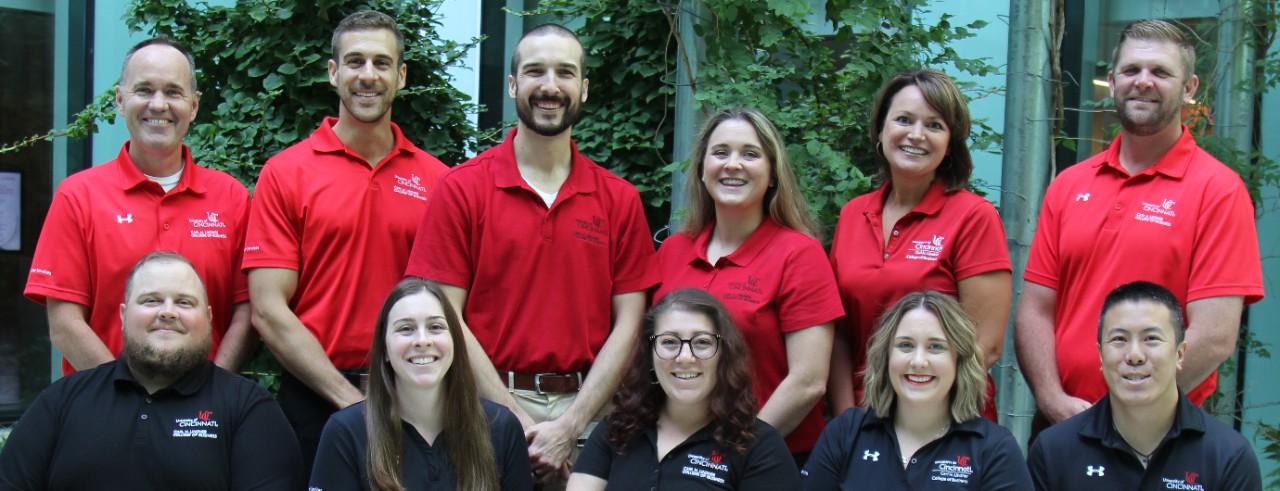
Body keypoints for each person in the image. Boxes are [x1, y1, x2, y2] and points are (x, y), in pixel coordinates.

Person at [405, 23, 657, 486]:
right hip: (483, 408)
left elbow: (631, 323)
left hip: (591, 416)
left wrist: (571, 427)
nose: (549, 85)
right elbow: (444, 317)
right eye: (535, 71)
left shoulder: (618, 199)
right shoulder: (462, 190)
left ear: (582, 87)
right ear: (513, 84)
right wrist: (517, 424)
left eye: (565, 73)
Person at [1016, 19, 1264, 429]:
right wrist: (1050, 398)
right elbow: (1037, 309)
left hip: (1161, 433)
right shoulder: (1069, 185)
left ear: (1189, 89)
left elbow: (1216, 333)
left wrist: (1127, 413)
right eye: (1131, 70)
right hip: (1060, 425)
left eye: (1161, 72)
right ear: (1112, 82)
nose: (1143, 82)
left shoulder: (1218, 190)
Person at [243, 10, 450, 470]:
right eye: (355, 62)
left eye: (381, 63)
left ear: (400, 75)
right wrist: (350, 403)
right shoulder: (286, 174)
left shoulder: (438, 180)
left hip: (418, 391)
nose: (368, 76)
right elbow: (267, 308)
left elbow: (453, 303)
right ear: (333, 72)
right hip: (316, 397)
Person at [24, 37, 253, 375]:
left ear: (194, 105)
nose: (158, 105)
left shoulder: (231, 197)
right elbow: (64, 322)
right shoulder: (78, 196)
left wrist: (211, 394)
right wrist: (124, 397)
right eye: (144, 90)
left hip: (204, 416)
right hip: (102, 408)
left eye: (173, 92)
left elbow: (247, 312)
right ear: (120, 99)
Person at [0, 252, 303, 490]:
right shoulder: (62, 402)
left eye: (184, 302)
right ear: (123, 315)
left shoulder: (249, 409)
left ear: (208, 318)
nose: (167, 312)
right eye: (151, 300)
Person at [653, 107, 840, 464]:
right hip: (677, 454)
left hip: (771, 458)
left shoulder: (799, 255)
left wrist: (728, 457)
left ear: (772, 175)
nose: (733, 164)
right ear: (702, 170)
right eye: (720, 152)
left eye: (750, 154)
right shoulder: (673, 251)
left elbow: (808, 381)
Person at [827, 69, 1010, 421]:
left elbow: (984, 345)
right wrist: (846, 420)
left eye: (934, 125)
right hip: (863, 418)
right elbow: (839, 337)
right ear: (881, 130)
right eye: (904, 120)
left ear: (950, 142)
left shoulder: (974, 217)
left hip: (946, 424)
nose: (916, 135)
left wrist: (908, 420)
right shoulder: (853, 215)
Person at [1027, 281, 1262, 490]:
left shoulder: (1228, 457)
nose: (1134, 355)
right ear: (1100, 355)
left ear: (1180, 354)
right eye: (1119, 339)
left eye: (1151, 339)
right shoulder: (1054, 451)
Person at [309, 278, 532, 490]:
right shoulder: (345, 432)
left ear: (455, 342)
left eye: (435, 327)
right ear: (384, 349)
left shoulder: (501, 428)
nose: (423, 340)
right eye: (406, 329)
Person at [568, 288, 800, 490]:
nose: (685, 357)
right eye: (669, 342)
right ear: (649, 354)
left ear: (724, 355)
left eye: (702, 342)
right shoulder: (617, 429)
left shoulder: (759, 446)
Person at [801, 291, 1031, 490]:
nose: (918, 361)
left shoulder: (994, 449)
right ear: (886, 357)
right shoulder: (845, 433)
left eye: (935, 347)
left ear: (959, 360)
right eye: (905, 345)